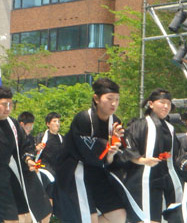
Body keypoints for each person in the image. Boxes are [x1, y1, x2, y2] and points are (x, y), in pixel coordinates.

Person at [55, 78, 145, 223]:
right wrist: (108, 147)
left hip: (98, 173)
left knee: (118, 216)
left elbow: (118, 154)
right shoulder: (83, 119)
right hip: (76, 172)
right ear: (96, 98)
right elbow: (87, 151)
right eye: (109, 99)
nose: (114, 103)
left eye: (117, 99)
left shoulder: (115, 121)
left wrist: (112, 153)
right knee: (87, 218)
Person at [0, 86, 51, 223]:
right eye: (4, 104)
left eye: (10, 104)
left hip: (12, 172)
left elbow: (25, 145)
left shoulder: (13, 124)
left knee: (37, 213)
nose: (8, 108)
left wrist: (29, 159)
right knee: (8, 218)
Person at [123, 88, 187, 222]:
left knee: (168, 217)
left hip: (166, 178)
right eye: (162, 102)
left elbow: (177, 154)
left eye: (168, 103)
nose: (166, 106)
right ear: (151, 104)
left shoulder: (170, 128)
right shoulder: (139, 125)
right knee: (147, 218)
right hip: (143, 178)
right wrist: (142, 160)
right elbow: (127, 147)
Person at [17, 111, 52, 223]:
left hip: (31, 174)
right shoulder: (14, 138)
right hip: (19, 177)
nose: (30, 129)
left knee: (45, 209)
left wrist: (31, 160)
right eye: (28, 127)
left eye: (32, 126)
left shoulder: (30, 138)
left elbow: (29, 153)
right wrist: (28, 162)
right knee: (25, 212)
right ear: (21, 124)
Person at [35, 112, 63, 203]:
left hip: (56, 168)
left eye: (58, 121)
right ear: (48, 124)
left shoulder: (62, 139)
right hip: (43, 166)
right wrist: (36, 148)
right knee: (51, 181)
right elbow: (32, 151)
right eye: (54, 121)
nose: (57, 123)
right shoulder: (41, 137)